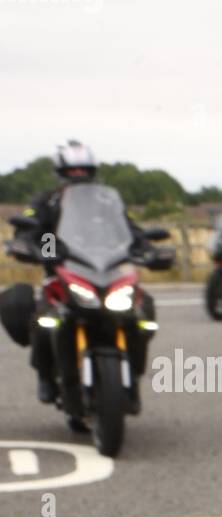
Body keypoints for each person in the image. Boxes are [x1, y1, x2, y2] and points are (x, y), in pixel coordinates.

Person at [10, 140, 155, 409]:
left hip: (107, 267)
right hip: (64, 267)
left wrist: (145, 247)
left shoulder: (106, 199)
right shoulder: (48, 200)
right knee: (44, 321)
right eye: (72, 170)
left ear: (92, 170)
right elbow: (37, 229)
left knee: (142, 312)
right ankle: (46, 377)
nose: (78, 174)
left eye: (83, 169)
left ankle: (132, 378)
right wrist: (38, 248)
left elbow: (128, 228)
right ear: (62, 171)